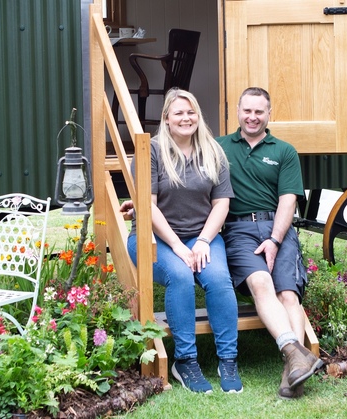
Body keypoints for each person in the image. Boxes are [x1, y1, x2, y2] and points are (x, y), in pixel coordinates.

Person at [124, 88, 242, 394]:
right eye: (178, 113)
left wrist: (203, 241)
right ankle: (186, 360)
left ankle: (228, 359)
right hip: (153, 237)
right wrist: (179, 247)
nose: (186, 118)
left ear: (198, 117)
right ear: (166, 118)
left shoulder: (213, 151)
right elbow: (147, 207)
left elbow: (222, 204)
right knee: (180, 276)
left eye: (191, 112)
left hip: (201, 236)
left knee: (218, 279)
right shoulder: (150, 151)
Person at [216, 87, 323, 399]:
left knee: (288, 294)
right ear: (237, 112)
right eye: (247, 111)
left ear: (268, 114)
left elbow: (288, 201)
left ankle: (292, 368)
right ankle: (297, 357)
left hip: (279, 226)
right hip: (238, 230)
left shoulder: (284, 151)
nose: (252, 117)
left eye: (259, 112)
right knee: (262, 283)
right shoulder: (220, 148)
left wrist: (276, 239)